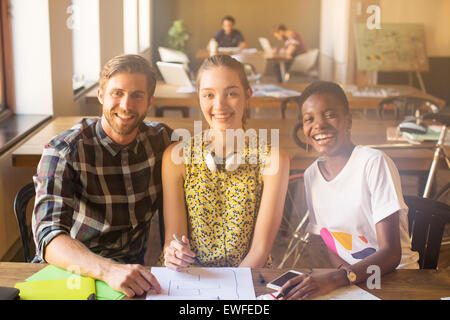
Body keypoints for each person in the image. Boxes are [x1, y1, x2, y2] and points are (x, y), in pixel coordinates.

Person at [32, 54, 173, 297]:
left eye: (137, 95)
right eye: (117, 93)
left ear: (150, 101)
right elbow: (48, 235)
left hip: (134, 276)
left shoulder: (162, 140)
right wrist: (109, 270)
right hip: (75, 272)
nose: (126, 105)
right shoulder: (64, 149)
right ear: (101, 95)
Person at [277, 81, 419, 300]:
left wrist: (338, 279)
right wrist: (346, 281)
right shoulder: (311, 176)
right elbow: (330, 240)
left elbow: (391, 253)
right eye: (309, 119)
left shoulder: (373, 163)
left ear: (348, 121)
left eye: (330, 115)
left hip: (396, 279)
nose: (319, 125)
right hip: (356, 281)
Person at [161, 55, 289, 270]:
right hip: (191, 276)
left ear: (248, 96)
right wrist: (174, 254)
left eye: (231, 93)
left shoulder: (273, 159)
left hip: (247, 276)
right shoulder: (176, 157)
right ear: (199, 98)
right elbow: (173, 240)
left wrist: (232, 291)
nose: (219, 105)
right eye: (209, 94)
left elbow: (260, 251)